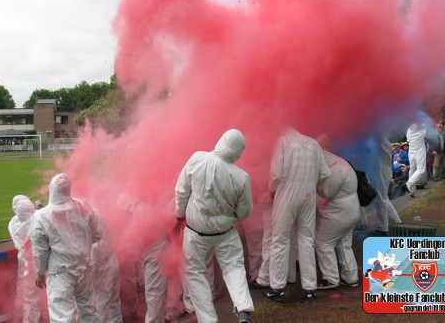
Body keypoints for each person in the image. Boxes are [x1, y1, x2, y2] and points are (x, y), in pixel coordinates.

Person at [174, 129, 254, 323]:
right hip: (225, 232)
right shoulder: (242, 177)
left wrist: (179, 216)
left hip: (196, 234)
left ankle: (208, 320)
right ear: (237, 150)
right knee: (233, 267)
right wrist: (230, 217)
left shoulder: (197, 158)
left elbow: (182, 190)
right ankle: (243, 308)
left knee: (195, 273)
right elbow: (245, 211)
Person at [265, 126, 330, 303]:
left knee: (280, 240)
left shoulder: (282, 142)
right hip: (308, 195)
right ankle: (310, 289)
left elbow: (276, 174)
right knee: (307, 241)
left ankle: (277, 288)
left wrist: (271, 190)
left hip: (286, 195)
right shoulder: (314, 144)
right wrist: (311, 184)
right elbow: (325, 173)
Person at [30, 173, 103, 323]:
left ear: (52, 189)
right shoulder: (83, 206)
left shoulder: (41, 216)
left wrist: (40, 272)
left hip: (60, 272)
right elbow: (97, 234)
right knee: (89, 311)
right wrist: (79, 245)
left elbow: (41, 251)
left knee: (61, 316)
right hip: (84, 268)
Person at [314, 135, 360, 290]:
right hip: (352, 209)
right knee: (344, 244)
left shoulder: (335, 169)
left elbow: (327, 192)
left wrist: (317, 185)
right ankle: (350, 277)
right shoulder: (342, 162)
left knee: (323, 243)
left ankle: (330, 278)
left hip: (339, 212)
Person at [117, 195, 168, 323]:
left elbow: (136, 240)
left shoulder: (142, 210)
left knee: (153, 291)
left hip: (155, 253)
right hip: (151, 252)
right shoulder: (138, 209)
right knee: (155, 290)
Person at [8, 196, 47, 322]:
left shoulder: (13, 223)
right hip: (38, 265)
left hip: (25, 262)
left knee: (26, 296)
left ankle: (19, 316)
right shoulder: (37, 222)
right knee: (41, 297)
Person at [91, 209, 123, 322]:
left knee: (101, 308)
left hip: (103, 271)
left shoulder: (91, 232)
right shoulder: (97, 214)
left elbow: (92, 261)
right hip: (112, 262)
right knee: (115, 303)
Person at [405, 123, 427, 197]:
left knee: (412, 170)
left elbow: (408, 140)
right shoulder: (421, 133)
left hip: (411, 153)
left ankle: (412, 191)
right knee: (421, 169)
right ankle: (410, 183)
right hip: (419, 152)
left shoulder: (408, 132)